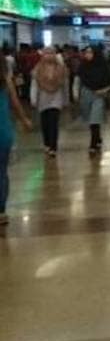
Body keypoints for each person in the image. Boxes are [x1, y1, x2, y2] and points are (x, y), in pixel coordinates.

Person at [0, 51, 32, 225]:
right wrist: (24, 120)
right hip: (3, 132)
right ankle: (1, 211)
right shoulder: (6, 81)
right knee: (2, 172)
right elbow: (15, 104)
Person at [30, 47, 68, 157]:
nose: (49, 56)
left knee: (53, 122)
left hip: (56, 99)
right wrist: (33, 99)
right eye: (47, 53)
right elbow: (34, 85)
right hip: (43, 99)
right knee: (45, 123)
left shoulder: (61, 68)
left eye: (51, 53)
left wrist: (66, 100)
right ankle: (47, 143)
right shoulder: (38, 69)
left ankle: (53, 147)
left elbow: (65, 86)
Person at [76, 45, 110, 155]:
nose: (87, 55)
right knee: (91, 120)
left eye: (90, 52)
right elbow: (79, 80)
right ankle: (97, 138)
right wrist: (76, 94)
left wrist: (103, 90)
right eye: (86, 52)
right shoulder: (83, 66)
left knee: (95, 119)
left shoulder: (103, 66)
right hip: (86, 94)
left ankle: (93, 144)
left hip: (99, 95)